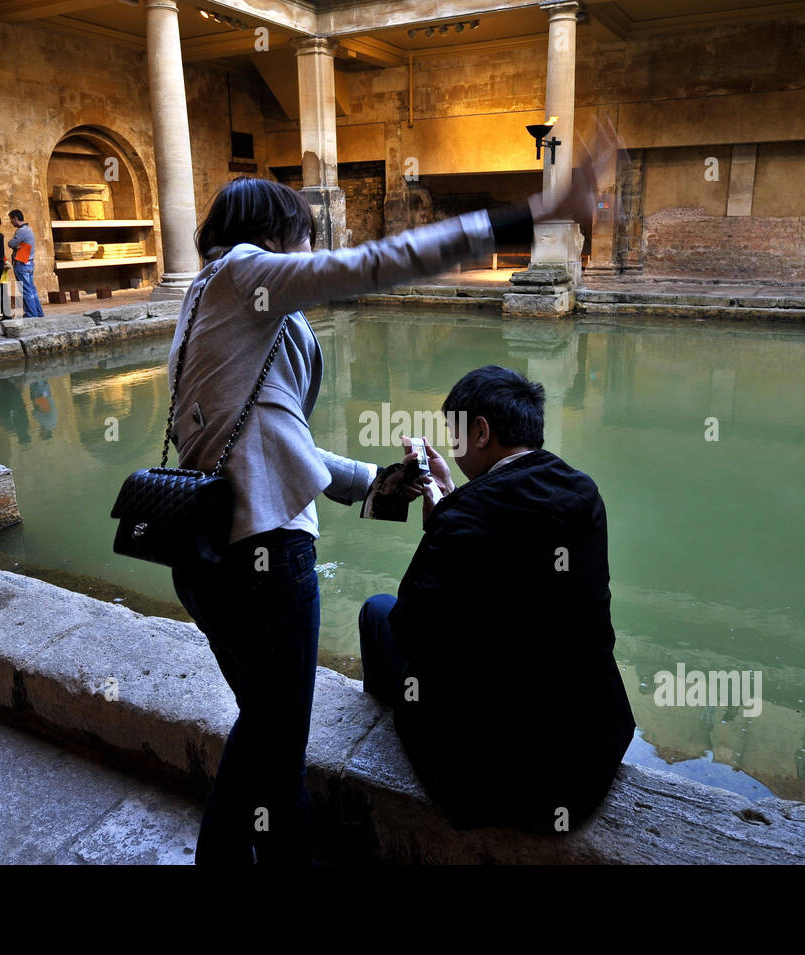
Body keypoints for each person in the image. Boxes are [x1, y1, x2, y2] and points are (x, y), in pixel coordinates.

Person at [167, 119, 618, 865]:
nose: (313, 252)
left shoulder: (210, 303)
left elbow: (275, 443)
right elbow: (382, 261)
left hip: (209, 555)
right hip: (263, 559)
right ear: (272, 236)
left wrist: (379, 484)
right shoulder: (247, 275)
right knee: (276, 753)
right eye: (304, 235)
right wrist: (536, 212)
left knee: (265, 737)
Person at [358, 367, 635, 831]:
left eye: (455, 433)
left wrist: (446, 514)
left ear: (481, 431)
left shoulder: (463, 516)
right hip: (589, 759)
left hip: (500, 784)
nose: (452, 447)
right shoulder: (582, 491)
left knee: (378, 613)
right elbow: (511, 559)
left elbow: (413, 628)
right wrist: (453, 505)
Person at [7, 209, 45, 318]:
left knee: (26, 290)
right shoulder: (29, 229)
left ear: (15, 218)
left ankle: (31, 314)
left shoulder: (22, 231)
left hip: (22, 264)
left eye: (11, 219)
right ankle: (38, 313)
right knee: (31, 290)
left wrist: (15, 245)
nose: (11, 222)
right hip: (29, 263)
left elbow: (11, 243)